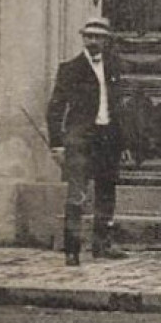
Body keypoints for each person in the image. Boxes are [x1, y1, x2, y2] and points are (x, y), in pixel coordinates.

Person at [46, 17, 131, 265]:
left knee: (107, 190)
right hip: (80, 138)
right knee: (77, 193)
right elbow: (55, 108)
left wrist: (124, 143)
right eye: (89, 36)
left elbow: (119, 107)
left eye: (98, 37)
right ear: (83, 38)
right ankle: (72, 250)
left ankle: (102, 245)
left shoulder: (115, 67)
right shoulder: (70, 68)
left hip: (108, 137)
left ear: (106, 40)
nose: (93, 41)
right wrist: (57, 144)